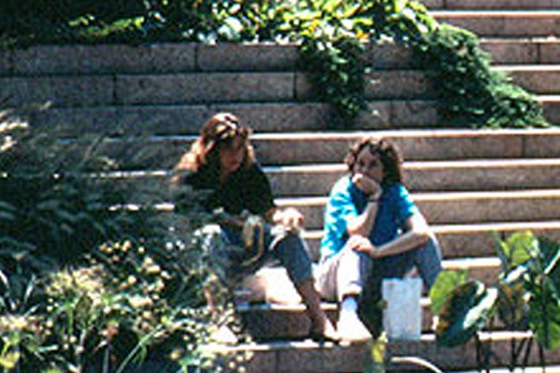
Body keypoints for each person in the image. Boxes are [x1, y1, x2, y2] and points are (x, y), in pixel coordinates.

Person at [176, 112, 339, 343]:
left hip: (248, 244)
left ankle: (319, 318)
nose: (236, 155)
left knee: (288, 237)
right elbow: (187, 222)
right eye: (228, 149)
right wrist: (228, 221)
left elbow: (269, 213)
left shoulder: (250, 173)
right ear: (213, 149)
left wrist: (287, 217)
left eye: (240, 148)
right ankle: (220, 320)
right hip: (207, 252)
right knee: (210, 235)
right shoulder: (192, 176)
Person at [315, 136, 443, 341]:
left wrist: (379, 251)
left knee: (425, 243)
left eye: (373, 165)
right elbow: (359, 232)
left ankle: (443, 311)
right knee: (358, 245)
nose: (364, 171)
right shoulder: (343, 191)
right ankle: (348, 315)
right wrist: (374, 197)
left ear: (385, 171)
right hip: (336, 274)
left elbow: (421, 232)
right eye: (360, 164)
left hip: (376, 268)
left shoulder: (395, 193)